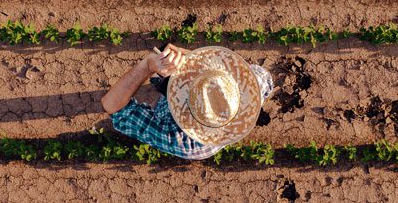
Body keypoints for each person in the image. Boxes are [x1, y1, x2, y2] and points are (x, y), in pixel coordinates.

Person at [101, 43, 273, 160]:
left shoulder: (181, 139)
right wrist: (188, 58)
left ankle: (161, 81)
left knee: (156, 78)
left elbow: (113, 105)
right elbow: (265, 78)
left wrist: (147, 65)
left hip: (167, 113)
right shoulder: (251, 81)